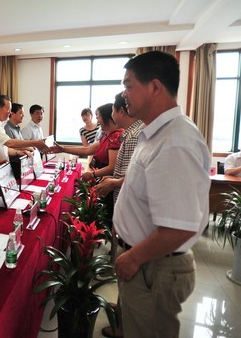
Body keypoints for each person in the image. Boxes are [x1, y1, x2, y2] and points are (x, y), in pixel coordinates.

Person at [113, 51, 211, 338]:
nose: (124, 94)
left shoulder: (175, 142)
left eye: (129, 85)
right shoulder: (155, 132)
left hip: (152, 267)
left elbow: (180, 227)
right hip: (146, 263)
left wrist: (133, 258)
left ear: (154, 87)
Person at [93, 93, 141, 338]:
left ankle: (124, 323)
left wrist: (113, 182)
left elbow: (133, 176)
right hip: (124, 202)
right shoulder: (131, 133)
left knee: (128, 264)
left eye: (113, 110)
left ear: (121, 111)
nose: (111, 115)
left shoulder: (133, 135)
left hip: (129, 205)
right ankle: (122, 306)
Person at [53, 103, 122, 183]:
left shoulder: (115, 137)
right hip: (102, 177)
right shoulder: (107, 136)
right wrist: (63, 149)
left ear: (106, 118)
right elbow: (86, 150)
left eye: (98, 117)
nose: (98, 121)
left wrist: (93, 174)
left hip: (109, 181)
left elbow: (112, 167)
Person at [0, 94, 49, 162]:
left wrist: (17, 152)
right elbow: (9, 143)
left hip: (3, 164)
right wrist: (35, 143)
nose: (10, 112)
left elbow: (3, 148)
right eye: (8, 109)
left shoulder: (1, 124)